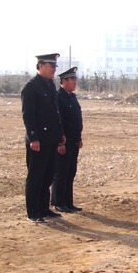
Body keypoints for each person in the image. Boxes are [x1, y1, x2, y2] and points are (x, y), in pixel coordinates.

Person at [21, 53, 66, 223]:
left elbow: (56, 113)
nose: (54, 69)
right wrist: (33, 138)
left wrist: (60, 134)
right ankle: (33, 212)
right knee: (36, 177)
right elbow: (28, 115)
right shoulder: (31, 87)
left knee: (47, 176)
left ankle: (44, 209)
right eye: (51, 66)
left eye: (55, 67)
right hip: (39, 141)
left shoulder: (50, 85)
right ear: (41, 66)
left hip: (51, 138)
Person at [51, 67, 84, 213]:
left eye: (75, 80)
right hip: (64, 142)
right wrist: (60, 142)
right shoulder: (58, 97)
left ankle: (68, 202)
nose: (75, 82)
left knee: (70, 172)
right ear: (64, 81)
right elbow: (58, 122)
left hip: (73, 141)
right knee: (61, 172)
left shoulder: (71, 96)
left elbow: (76, 119)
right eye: (72, 80)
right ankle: (58, 202)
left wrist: (79, 138)